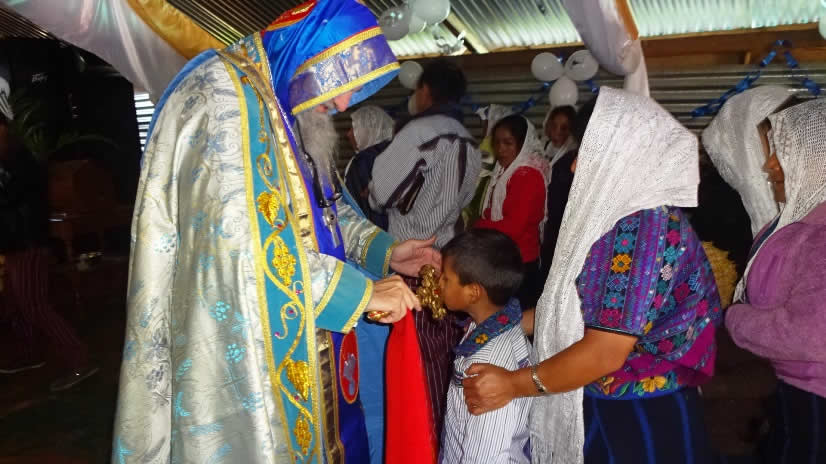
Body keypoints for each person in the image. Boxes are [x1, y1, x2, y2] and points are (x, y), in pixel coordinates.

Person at [113, 2, 442, 462]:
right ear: (304, 53)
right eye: (337, 81)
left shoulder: (288, 103)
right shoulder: (222, 100)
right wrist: (360, 294)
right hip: (250, 347)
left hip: (317, 332)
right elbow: (240, 252)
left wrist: (385, 251)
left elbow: (326, 209)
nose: (342, 104)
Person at [461, 88, 721, 464]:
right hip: (621, 393)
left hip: (642, 408)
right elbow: (577, 304)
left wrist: (511, 385)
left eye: (587, 152)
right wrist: (505, 323)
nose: (574, 167)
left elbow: (604, 352)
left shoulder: (640, 228)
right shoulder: (624, 216)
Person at [370, 58, 481, 443]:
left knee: (411, 365)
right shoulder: (469, 142)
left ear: (426, 91)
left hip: (410, 264)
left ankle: (418, 442)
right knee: (442, 357)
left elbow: (380, 193)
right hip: (447, 263)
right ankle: (443, 438)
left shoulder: (418, 133)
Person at [725, 98, 826, 462]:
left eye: (779, 151)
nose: (768, 165)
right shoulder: (801, 222)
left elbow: (810, 336)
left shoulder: (819, 235)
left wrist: (735, 318)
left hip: (815, 399)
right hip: (798, 390)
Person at [0, 75, 98, 391]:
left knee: (35, 305)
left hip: (26, 243)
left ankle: (80, 361)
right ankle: (30, 354)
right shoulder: (13, 160)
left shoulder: (19, 162)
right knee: (17, 303)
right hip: (17, 241)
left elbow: (15, 201)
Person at [439, 229, 531, 464]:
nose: (439, 283)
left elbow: (485, 454)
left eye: (446, 279)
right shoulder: (503, 321)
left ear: (473, 293)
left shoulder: (484, 369)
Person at [475, 115, 549, 309]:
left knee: (515, 318)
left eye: (508, 143)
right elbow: (490, 210)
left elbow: (513, 227)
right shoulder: (505, 170)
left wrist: (479, 225)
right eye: (497, 142)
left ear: (522, 144)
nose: (500, 149)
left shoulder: (527, 175)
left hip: (520, 263)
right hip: (505, 257)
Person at [538, 101, 589, 281]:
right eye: (553, 126)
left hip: (559, 228)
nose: (557, 133)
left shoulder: (571, 159)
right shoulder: (541, 152)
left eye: (564, 128)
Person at [344, 105, 394, 230]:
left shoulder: (362, 162)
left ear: (366, 130)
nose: (348, 134)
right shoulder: (397, 153)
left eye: (353, 128)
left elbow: (355, 208)